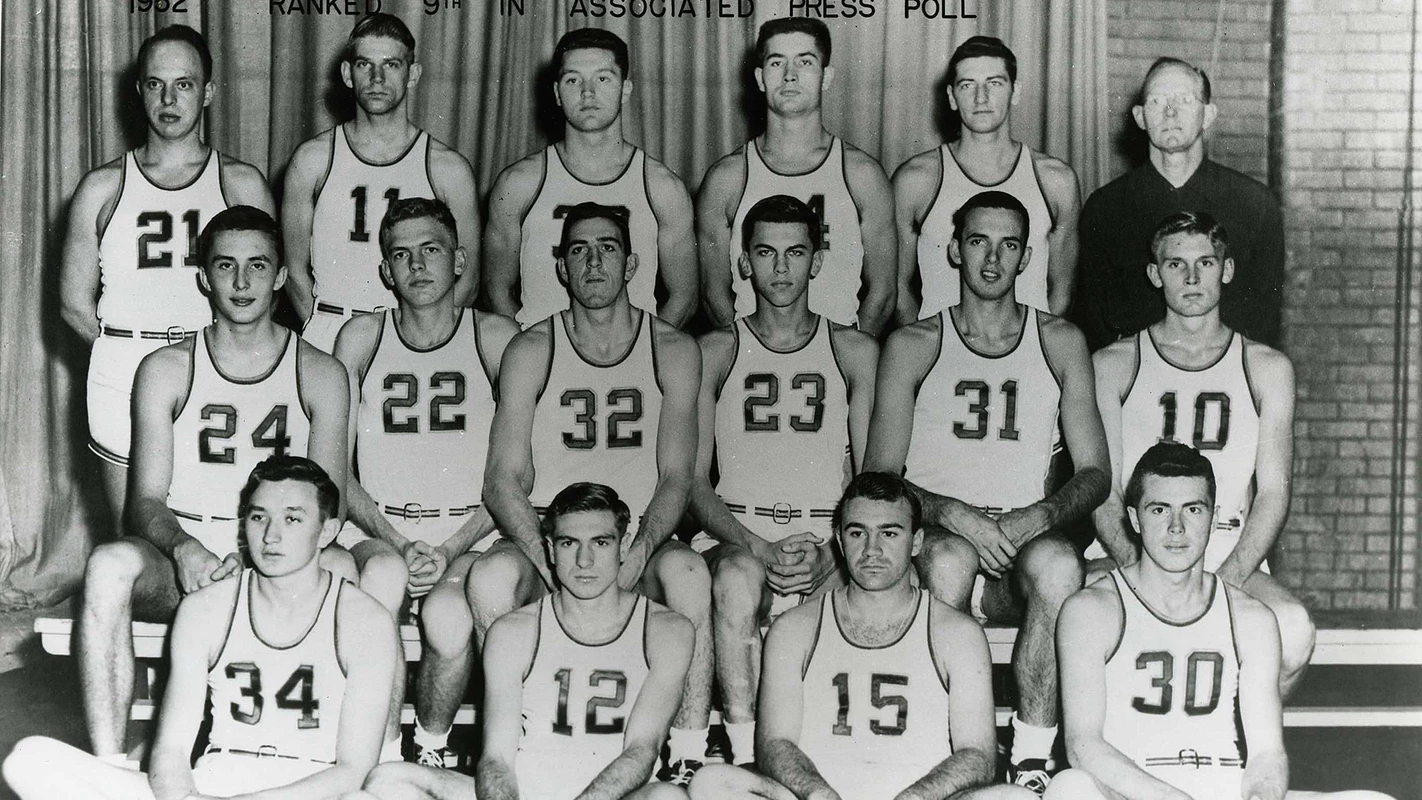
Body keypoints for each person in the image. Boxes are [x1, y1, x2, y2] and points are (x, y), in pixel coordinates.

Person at [77, 206, 353, 766]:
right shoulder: (166, 368)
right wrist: (185, 550)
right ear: (204, 276)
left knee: (345, 568)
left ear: (280, 275)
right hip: (188, 564)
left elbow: (333, 504)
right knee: (108, 565)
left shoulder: (321, 372)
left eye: (258, 266)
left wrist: (263, 559)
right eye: (226, 266)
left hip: (280, 564)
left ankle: (320, 761)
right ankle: (107, 767)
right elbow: (145, 502)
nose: (243, 282)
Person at [865, 190, 1110, 793]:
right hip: (942, 540)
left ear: (1028, 257)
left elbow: (1096, 471)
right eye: (978, 241)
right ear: (953, 249)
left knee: (1059, 563)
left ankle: (1028, 757)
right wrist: (954, 514)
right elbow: (876, 476)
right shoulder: (914, 345)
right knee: (947, 560)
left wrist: (1041, 515)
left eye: (1008, 245)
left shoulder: (1059, 341)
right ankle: (942, 746)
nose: (993, 258)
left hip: (1020, 547)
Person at [468, 202, 713, 783]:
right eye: (578, 249)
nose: (594, 261)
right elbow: (501, 481)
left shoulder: (675, 348)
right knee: (489, 578)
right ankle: (511, 744)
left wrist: (640, 549)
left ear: (632, 264)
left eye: (607, 249)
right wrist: (546, 556)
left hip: (633, 535)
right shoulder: (530, 348)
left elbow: (678, 477)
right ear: (560, 267)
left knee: (690, 578)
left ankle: (687, 752)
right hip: (555, 532)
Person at [4, 456, 397, 800]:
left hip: (311, 790)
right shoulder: (205, 610)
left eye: (293, 518)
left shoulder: (366, 620)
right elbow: (171, 752)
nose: (271, 535)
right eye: (259, 517)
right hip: (216, 782)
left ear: (326, 532)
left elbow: (353, 770)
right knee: (30, 758)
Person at [1046, 442, 1394, 800]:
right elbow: (1082, 745)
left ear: (1214, 517)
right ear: (1135, 518)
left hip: (1221, 788)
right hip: (1133, 793)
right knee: (1069, 788)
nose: (1176, 527)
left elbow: (1267, 754)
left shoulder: (1252, 618)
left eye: (1193, 509)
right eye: (1160, 509)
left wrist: (1262, 793)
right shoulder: (1093, 610)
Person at [690, 472, 1035, 800]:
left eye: (889, 533)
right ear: (839, 541)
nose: (871, 549)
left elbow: (978, 755)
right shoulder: (795, 629)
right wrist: (818, 793)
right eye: (857, 533)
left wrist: (916, 796)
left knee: (1018, 798)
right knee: (711, 782)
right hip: (823, 794)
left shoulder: (957, 633)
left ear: (916, 542)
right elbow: (774, 744)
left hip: (920, 796)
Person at [1088, 211, 1314, 697]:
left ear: (1226, 269)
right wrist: (1139, 572)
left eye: (1206, 262)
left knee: (1293, 630)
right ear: (1154, 274)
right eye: (1175, 265)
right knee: (1078, 615)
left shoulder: (1267, 367)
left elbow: (1274, 493)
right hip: (1135, 547)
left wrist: (1225, 582)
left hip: (1225, 550)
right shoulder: (1113, 363)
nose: (1191, 278)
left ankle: (1235, 754)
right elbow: (1102, 489)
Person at [688, 194, 878, 767]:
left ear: (817, 261)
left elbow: (873, 484)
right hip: (740, 531)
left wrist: (834, 555)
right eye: (765, 252)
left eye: (796, 253)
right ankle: (748, 759)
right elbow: (694, 483)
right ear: (743, 261)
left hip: (827, 537)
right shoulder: (715, 350)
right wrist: (754, 545)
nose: (780, 268)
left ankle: (837, 754)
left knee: (867, 586)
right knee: (738, 581)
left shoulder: (853, 350)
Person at [351, 482, 692, 800]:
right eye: (568, 543)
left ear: (623, 544)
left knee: (668, 797)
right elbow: (496, 759)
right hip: (524, 792)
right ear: (550, 549)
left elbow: (642, 751)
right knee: (388, 780)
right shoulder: (513, 631)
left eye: (600, 543)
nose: (584, 561)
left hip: (614, 797)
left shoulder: (666, 630)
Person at [60, 24, 275, 525]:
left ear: (208, 92)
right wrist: (127, 351)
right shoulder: (102, 187)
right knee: (134, 535)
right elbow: (73, 303)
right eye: (155, 83)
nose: (169, 98)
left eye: (184, 83)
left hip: (213, 365)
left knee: (220, 528)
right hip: (125, 370)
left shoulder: (240, 182)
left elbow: (264, 286)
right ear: (139, 91)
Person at [332, 197, 520, 765]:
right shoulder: (360, 338)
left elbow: (520, 470)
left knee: (447, 616)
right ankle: (385, 757)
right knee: (378, 589)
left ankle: (432, 747)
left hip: (468, 536)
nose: (417, 266)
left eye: (431, 250)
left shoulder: (495, 337)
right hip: (381, 530)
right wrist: (396, 540)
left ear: (459, 260)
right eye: (402, 255)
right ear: (385, 271)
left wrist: (448, 548)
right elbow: (335, 469)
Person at [283, 12, 480, 353]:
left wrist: (422, 338)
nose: (376, 78)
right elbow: (295, 272)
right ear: (347, 74)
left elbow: (469, 276)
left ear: (412, 74)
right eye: (364, 65)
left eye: (391, 65)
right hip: (331, 329)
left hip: (410, 334)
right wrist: (318, 331)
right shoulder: (312, 160)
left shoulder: (448, 169)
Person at [483, 27, 698, 328]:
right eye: (573, 80)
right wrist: (532, 352)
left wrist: (645, 353)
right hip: (545, 363)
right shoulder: (519, 184)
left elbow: (684, 297)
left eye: (603, 78)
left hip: (632, 366)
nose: (588, 93)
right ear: (557, 93)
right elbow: (496, 290)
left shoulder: (662, 187)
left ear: (625, 89)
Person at [697, 17, 896, 335]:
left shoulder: (861, 175)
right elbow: (712, 294)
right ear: (761, 78)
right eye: (777, 63)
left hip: (837, 360)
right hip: (751, 360)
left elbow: (884, 295)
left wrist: (849, 355)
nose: (790, 76)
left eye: (805, 62)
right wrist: (744, 353)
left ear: (826, 76)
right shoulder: (727, 178)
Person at [1075, 57, 1285, 351]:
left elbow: (1263, 321)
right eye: (1157, 101)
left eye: (1184, 100)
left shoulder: (1254, 204)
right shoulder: (1106, 208)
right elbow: (1095, 324)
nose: (1170, 112)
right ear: (1139, 116)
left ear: (1208, 114)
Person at [892, 36, 1080, 324]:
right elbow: (897, 289)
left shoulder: (1055, 180)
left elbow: (1062, 292)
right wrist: (925, 347)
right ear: (952, 97)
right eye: (967, 85)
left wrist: (1035, 345)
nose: (981, 98)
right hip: (941, 356)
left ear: (1015, 91)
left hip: (1026, 358)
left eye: (994, 83)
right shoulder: (916, 179)